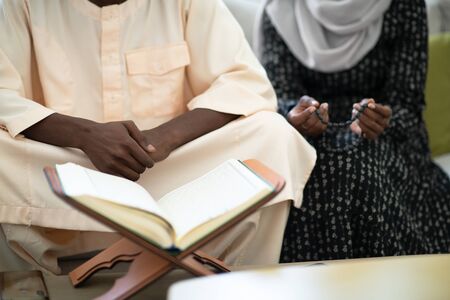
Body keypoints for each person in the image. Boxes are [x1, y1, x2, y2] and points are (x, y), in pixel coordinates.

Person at [0, 0, 316, 274]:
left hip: (167, 178)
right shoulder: (23, 4)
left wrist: (163, 138)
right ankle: (26, 282)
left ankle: (239, 281)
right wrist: (85, 135)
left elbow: (245, 84)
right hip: (62, 179)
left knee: (273, 133)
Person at [254, 0, 450, 262]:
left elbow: (408, 102)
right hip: (310, 143)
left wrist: (384, 119)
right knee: (319, 168)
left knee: (357, 164)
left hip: (389, 140)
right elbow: (282, 99)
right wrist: (299, 115)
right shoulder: (281, 9)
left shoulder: (404, 5)